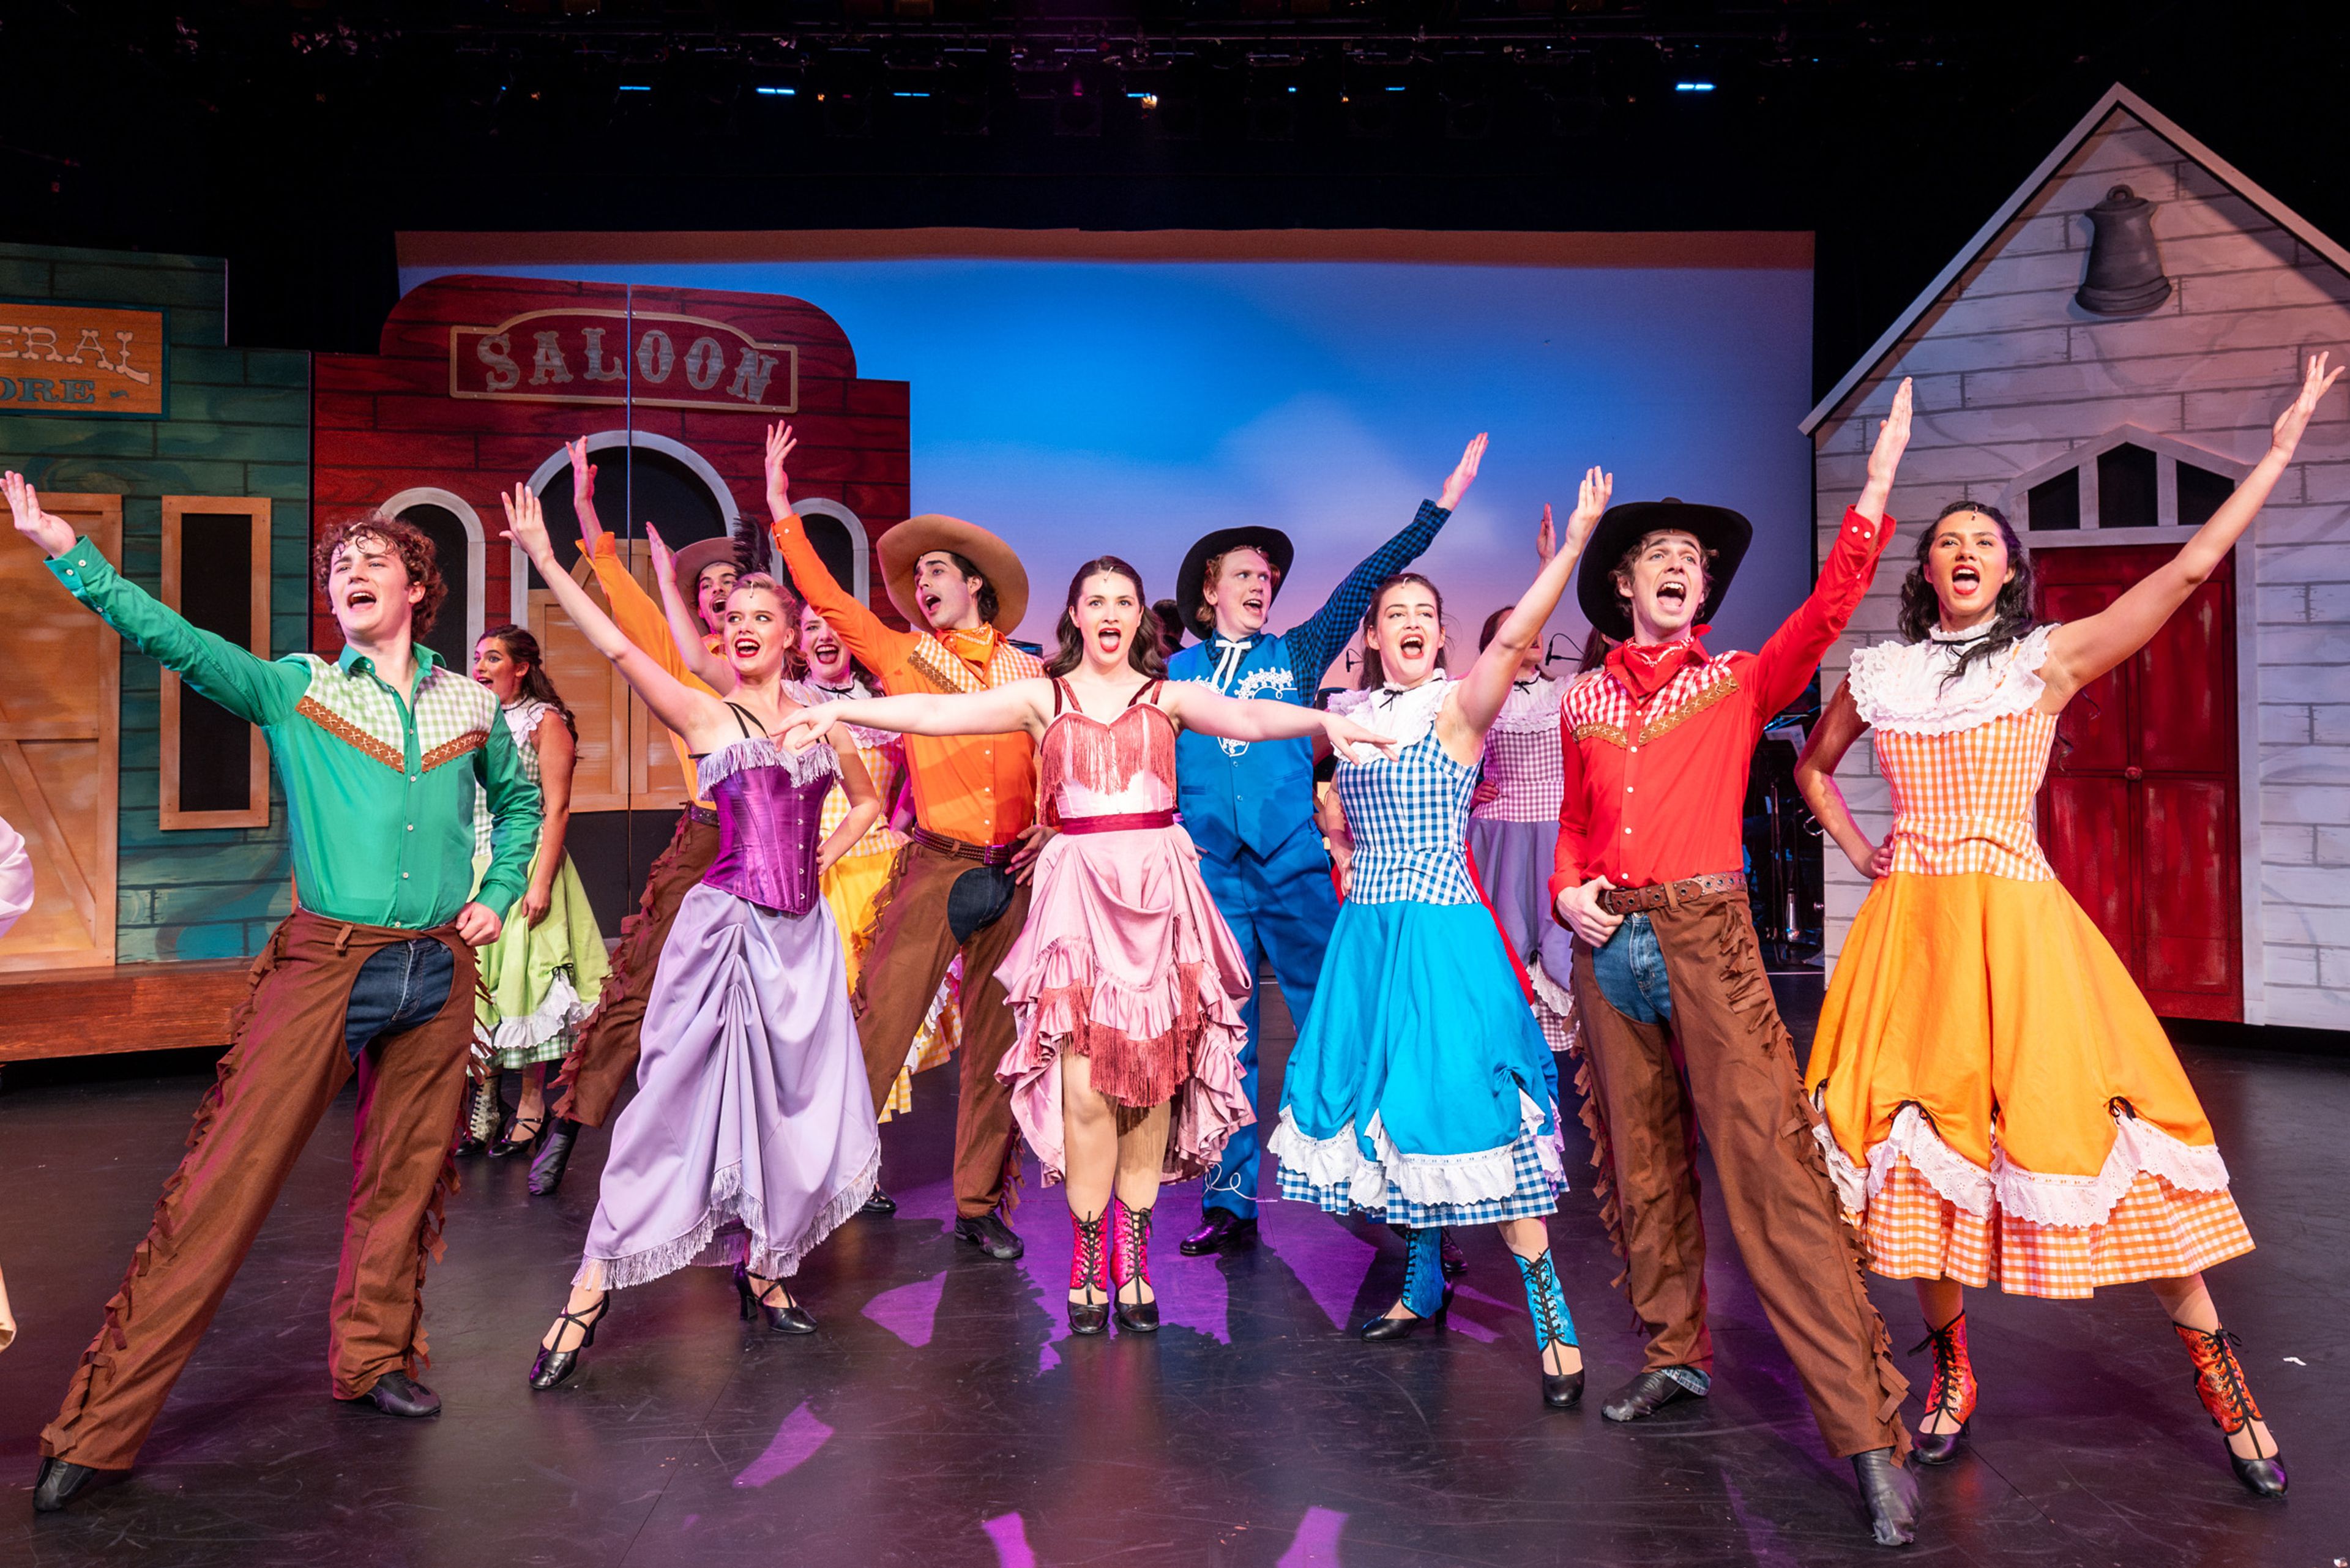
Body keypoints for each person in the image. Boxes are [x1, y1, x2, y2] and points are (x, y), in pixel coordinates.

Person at [1797, 354, 2340, 1501]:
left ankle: (2220, 1373)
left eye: (1984, 543)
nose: (1963, 553)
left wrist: (2279, 452)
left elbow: (2191, 569)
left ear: (2010, 568)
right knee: (1914, 1160)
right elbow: (1814, 767)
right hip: (1913, 939)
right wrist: (1860, 851)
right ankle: (1949, 1367)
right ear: (1926, 566)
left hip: (2024, 933)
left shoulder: (2046, 659)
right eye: (1947, 541)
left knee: (2104, 1144)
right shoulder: (1885, 671)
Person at [10, 476, 540, 1513]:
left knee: (405, 1177)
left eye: (371, 560)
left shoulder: (472, 704)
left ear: (417, 586)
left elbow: (518, 803)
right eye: (338, 564)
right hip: (327, 961)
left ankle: (374, 1359)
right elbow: (173, 639)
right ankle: (101, 1426)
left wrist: (502, 889)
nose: (349, 572)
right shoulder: (299, 686)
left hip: (436, 961)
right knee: (225, 1184)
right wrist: (66, 548)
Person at [788, 556, 1395, 1333]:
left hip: (1156, 897)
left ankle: (1134, 1258)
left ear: (1141, 617)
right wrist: (845, 716)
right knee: (1084, 1091)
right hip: (1079, 900)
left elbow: (1246, 718)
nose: (1110, 612)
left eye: (1125, 601)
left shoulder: (1167, 696)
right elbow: (941, 716)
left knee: (1148, 1088)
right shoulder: (1046, 696)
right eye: (1096, 600)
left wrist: (1322, 722)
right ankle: (1087, 1252)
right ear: (1075, 615)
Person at [1548, 382, 1920, 1545]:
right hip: (1615, 945)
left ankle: (1864, 1433)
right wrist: (1566, 890)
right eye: (1657, 555)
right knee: (1646, 1164)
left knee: (1769, 1172)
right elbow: (1571, 823)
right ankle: (1675, 1356)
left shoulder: (1741, 675)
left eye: (1693, 559)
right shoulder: (1584, 703)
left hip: (1710, 940)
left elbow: (1831, 609)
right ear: (1620, 585)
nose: (1678, 566)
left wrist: (1876, 487)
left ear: (1705, 589)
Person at [500, 483, 882, 1388]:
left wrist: (827, 852)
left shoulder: (823, 718)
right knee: (672, 1105)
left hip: (803, 942)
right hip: (727, 934)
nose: (744, 626)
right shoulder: (711, 715)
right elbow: (619, 644)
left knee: (789, 1109)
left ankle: (770, 1268)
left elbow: (866, 798)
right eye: (734, 617)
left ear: (790, 635)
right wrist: (549, 559)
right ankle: (589, 1290)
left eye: (762, 615)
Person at [1270, 466, 1614, 1411]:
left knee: (1472, 1110)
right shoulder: (1343, 719)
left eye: (1428, 609)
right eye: (1398, 612)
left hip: (1444, 934)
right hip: (1368, 939)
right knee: (1392, 1110)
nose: (1415, 621)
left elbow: (1513, 638)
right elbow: (1258, 720)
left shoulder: (1459, 709)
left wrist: (1573, 547)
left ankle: (1550, 1309)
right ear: (1373, 638)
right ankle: (1423, 1280)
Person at [1167, 435, 1487, 1259]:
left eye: (1267, 576)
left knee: (1337, 1023)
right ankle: (1231, 1196)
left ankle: (1376, 1177)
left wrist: (1436, 512)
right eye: (1243, 573)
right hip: (1214, 878)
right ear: (1210, 591)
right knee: (1225, 1038)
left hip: (1295, 869)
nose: (1261, 583)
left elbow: (1365, 585)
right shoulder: (1171, 669)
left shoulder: (1298, 653)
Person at [763, 423, 1047, 1258]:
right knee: (877, 1027)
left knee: (999, 1045)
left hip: (1015, 874)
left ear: (974, 584)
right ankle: (815, 1187)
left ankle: (977, 1202)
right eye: (916, 573)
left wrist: (1049, 824)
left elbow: (1056, 757)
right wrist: (782, 509)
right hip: (937, 862)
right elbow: (832, 600)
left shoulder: (1031, 672)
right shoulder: (902, 654)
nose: (921, 583)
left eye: (936, 570)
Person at [644, 534, 966, 1159]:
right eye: (811, 624)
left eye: (830, 626)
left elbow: (886, 787)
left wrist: (873, 833)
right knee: (790, 1023)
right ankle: (781, 1145)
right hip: (793, 877)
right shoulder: (787, 704)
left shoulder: (871, 708)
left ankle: (851, 1146)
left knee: (864, 1017)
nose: (824, 636)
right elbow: (694, 658)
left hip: (867, 866)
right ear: (798, 640)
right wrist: (665, 577)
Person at [532, 438, 743, 1198]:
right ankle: (569, 1120)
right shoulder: (681, 652)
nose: (720, 593)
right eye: (707, 585)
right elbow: (620, 604)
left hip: (776, 848)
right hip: (709, 832)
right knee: (640, 984)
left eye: (732, 581)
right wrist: (587, 509)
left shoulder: (775, 664)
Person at [455, 625, 610, 1159]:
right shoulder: (474, 719)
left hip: (526, 864)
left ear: (520, 667)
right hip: (478, 864)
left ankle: (530, 1107)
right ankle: (487, 1099)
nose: (480, 666)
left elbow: (558, 808)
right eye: (477, 657)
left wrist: (540, 881)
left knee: (530, 987)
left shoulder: (543, 722)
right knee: (485, 988)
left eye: (492, 658)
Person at [1467, 594, 1576, 1052]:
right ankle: (1504, 1046)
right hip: (1500, 833)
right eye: (1516, 626)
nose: (1532, 632)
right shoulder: (1479, 697)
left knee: (1560, 939)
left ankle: (1557, 1048)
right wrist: (1470, 792)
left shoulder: (1566, 691)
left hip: (1555, 827)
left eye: (1535, 625)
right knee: (1505, 939)